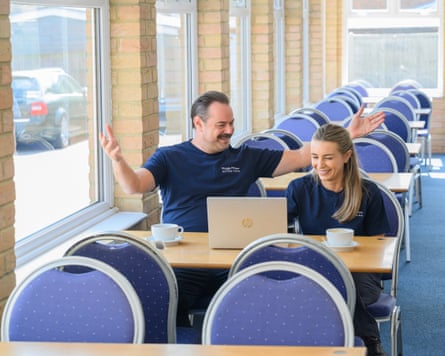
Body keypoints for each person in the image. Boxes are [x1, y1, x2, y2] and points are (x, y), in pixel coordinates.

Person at [100, 90, 385, 330]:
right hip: (185, 262)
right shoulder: (169, 158)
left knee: (269, 296)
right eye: (221, 125)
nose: (230, 131)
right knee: (164, 301)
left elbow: (303, 156)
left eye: (232, 123)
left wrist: (347, 134)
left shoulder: (246, 157)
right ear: (198, 123)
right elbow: (134, 185)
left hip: (238, 258)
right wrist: (117, 161)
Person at [286, 123, 389, 356]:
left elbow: (378, 251)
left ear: (346, 156)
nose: (319, 165)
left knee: (339, 286)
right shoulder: (299, 188)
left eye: (328, 158)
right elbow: (278, 230)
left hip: (361, 274)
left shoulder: (369, 193)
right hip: (315, 267)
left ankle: (366, 342)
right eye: (314, 157)